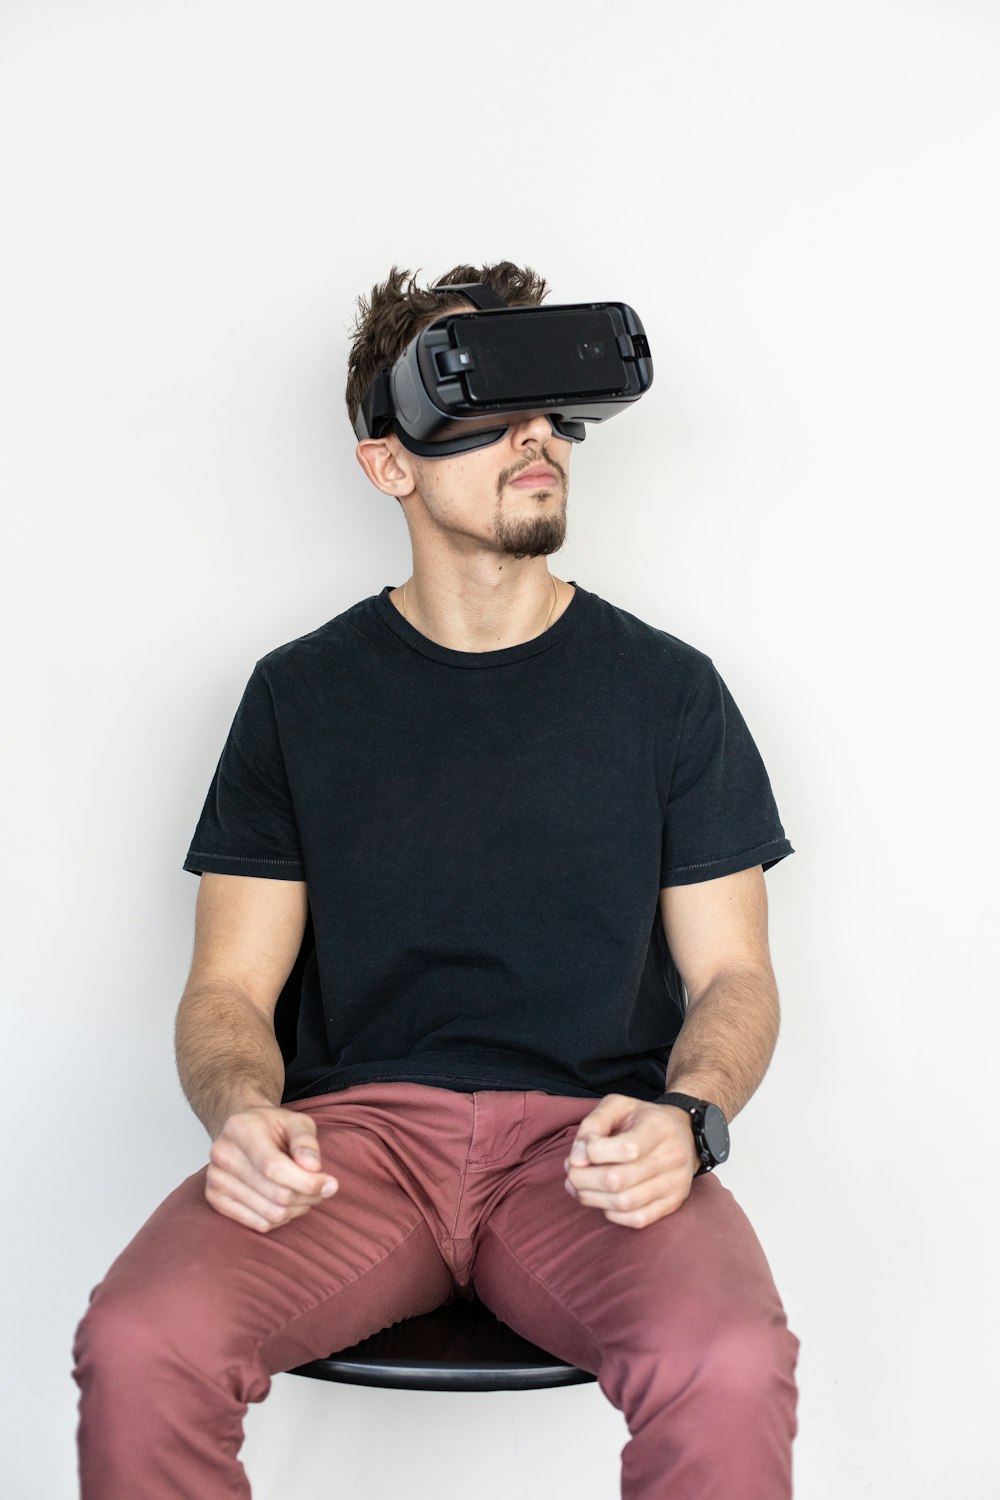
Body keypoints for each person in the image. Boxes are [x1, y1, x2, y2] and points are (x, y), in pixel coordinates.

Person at [72, 260, 801, 1499]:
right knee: (141, 1345)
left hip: (591, 1148)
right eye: (483, 398)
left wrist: (690, 1119)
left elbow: (734, 973)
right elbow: (226, 991)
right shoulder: (298, 697)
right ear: (388, 462)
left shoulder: (670, 693)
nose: (533, 435)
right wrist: (240, 1113)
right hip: (354, 1151)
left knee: (726, 1362)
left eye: (548, 407)